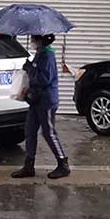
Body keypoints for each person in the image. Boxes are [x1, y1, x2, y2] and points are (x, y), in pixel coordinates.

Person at [12, 33, 71, 179]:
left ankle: (63, 163)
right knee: (30, 131)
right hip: (35, 99)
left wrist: (30, 69)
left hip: (46, 101)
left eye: (34, 38)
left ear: (41, 40)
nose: (32, 41)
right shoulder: (40, 54)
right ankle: (28, 165)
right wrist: (30, 66)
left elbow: (44, 79)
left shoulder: (48, 56)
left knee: (48, 132)